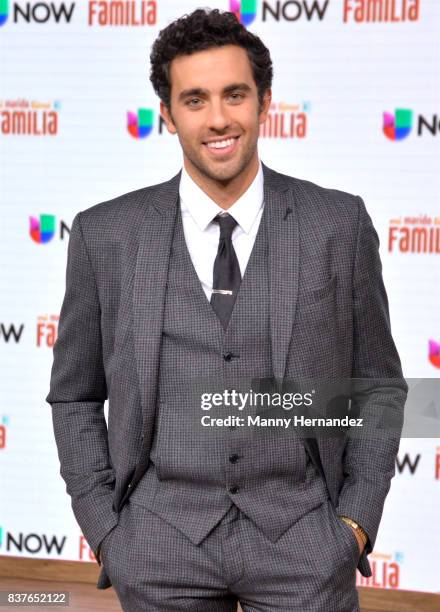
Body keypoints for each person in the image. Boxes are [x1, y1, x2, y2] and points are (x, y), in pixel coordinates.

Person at [46, 8, 407, 612]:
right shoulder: (104, 234)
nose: (218, 119)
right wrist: (108, 534)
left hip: (304, 546)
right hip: (159, 546)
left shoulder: (337, 225)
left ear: (264, 101)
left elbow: (380, 385)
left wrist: (354, 525)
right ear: (166, 112)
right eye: (194, 99)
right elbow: (75, 395)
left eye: (234, 95)